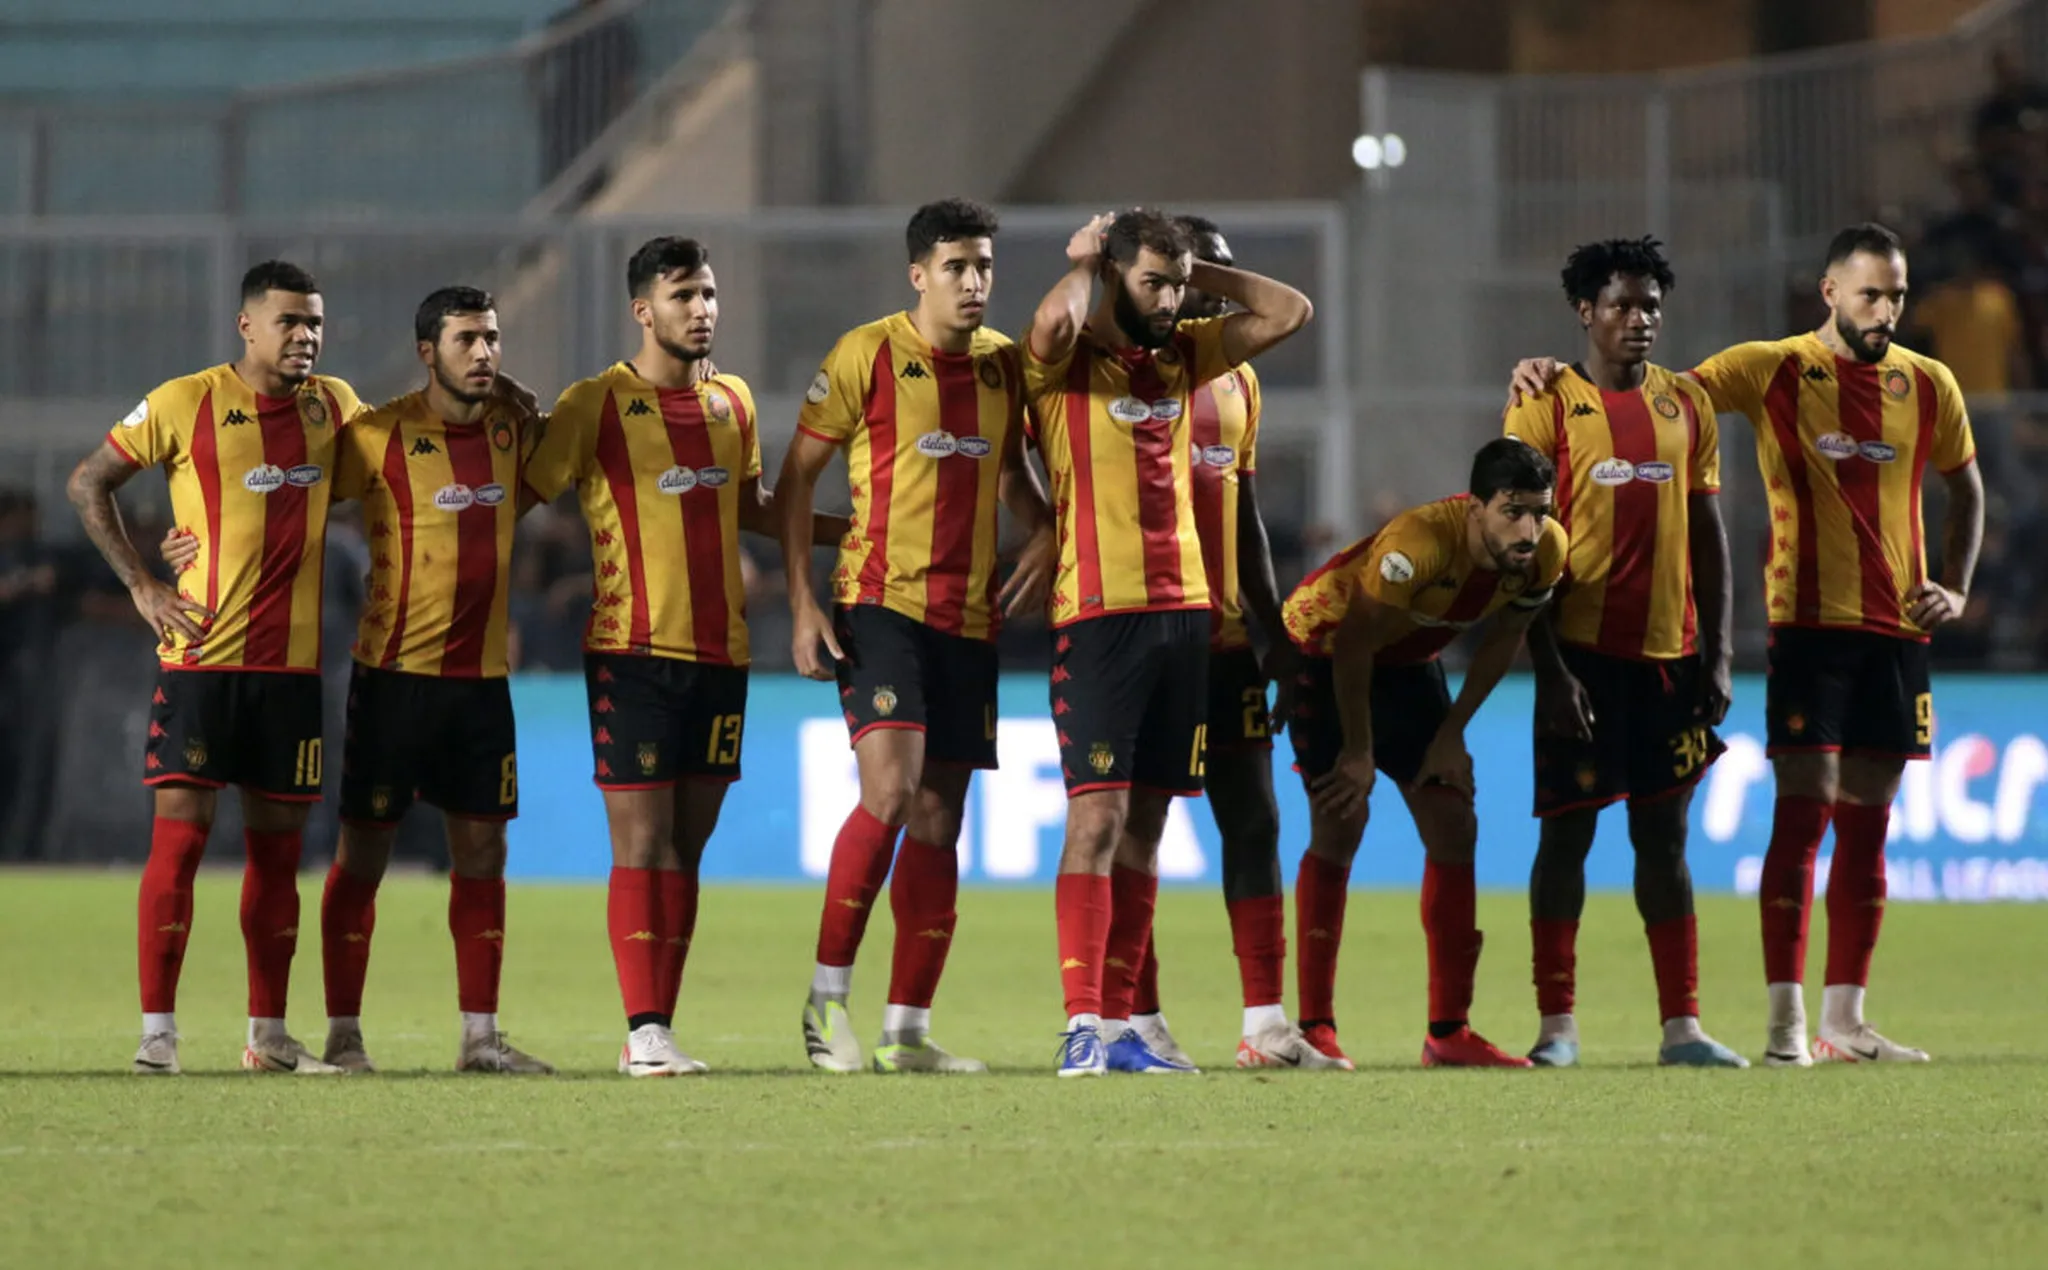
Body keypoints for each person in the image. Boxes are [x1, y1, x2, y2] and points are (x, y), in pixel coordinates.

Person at [1509, 223, 1985, 1064]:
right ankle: (1768, 1028)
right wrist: (1545, 366)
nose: (1886, 310)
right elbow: (1628, 408)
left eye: (1897, 295)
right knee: (1772, 817)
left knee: (1840, 827)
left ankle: (1822, 1022)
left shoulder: (1925, 382)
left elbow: (1963, 487)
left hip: (1863, 634)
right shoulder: (1767, 368)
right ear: (1830, 292)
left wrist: (1956, 585)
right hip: (1790, 630)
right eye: (1871, 294)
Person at [165, 288, 557, 1074]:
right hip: (392, 680)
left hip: (481, 683)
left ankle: (480, 1038)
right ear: (427, 352)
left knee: (483, 852)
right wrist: (190, 541)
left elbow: (563, 456)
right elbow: (286, 487)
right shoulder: (375, 434)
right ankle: (344, 1035)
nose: (484, 353)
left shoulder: (514, 431)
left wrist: (521, 396)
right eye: (466, 340)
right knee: (364, 854)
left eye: (492, 338)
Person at [523, 236, 848, 1076]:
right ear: (644, 310)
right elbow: (519, 492)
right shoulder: (595, 404)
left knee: (686, 850)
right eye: (683, 297)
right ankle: (644, 1033)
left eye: (708, 294)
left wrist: (857, 533)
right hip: (632, 652)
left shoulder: (732, 401)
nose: (702, 310)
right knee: (641, 844)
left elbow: (752, 507)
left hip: (721, 655)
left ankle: (657, 1027)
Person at [1023, 209, 1313, 1077]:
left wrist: (1189, 274)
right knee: (1096, 818)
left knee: (1147, 827)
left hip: (1188, 616)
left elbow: (1291, 311)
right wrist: (1090, 263)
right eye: (1152, 283)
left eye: (1176, 286)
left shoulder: (1189, 355)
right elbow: (1050, 323)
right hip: (1098, 615)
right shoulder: (1066, 366)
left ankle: (1122, 1030)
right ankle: (1082, 1023)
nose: (1169, 301)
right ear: (1115, 276)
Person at [778, 198, 1055, 1075]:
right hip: (879, 604)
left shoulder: (1005, 366)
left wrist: (1046, 529)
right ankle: (826, 1003)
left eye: (984, 267)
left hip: (969, 619)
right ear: (918, 274)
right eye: (955, 268)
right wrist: (801, 603)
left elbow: (1012, 475)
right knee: (891, 793)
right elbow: (796, 481)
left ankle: (906, 1031)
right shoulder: (865, 354)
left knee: (939, 819)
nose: (974, 283)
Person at [67, 261, 364, 1075]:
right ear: (247, 326)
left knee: (279, 860)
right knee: (180, 844)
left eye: (314, 323)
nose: (304, 336)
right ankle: (157, 1035)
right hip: (200, 661)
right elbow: (89, 482)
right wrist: (142, 582)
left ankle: (269, 1037)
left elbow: (395, 470)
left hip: (291, 673)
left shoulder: (335, 407)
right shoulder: (183, 401)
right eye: (288, 322)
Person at [1500, 237, 1745, 1069]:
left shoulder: (1688, 404)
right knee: (1566, 839)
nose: (1639, 320)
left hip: (1670, 660)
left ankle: (1683, 1027)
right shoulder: (1543, 405)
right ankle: (1556, 1027)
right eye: (1621, 306)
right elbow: (1519, 550)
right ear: (1585, 312)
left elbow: (1708, 534)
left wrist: (1718, 652)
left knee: (1665, 842)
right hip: (1580, 658)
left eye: (1650, 307)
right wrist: (1550, 672)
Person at [1115, 215, 1337, 1070]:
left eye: (1216, 276)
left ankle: (1265, 1025)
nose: (1208, 293)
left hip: (1228, 638)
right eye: (1190, 277)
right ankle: (1139, 1018)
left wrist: (1273, 630)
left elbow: (1243, 514)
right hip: (1145, 630)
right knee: (1141, 821)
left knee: (1253, 818)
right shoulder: (1129, 369)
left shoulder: (1240, 380)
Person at [1283, 439, 1564, 1069]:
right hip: (1327, 656)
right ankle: (1316, 1027)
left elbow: (1505, 640)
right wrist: (1359, 751)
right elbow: (1354, 645)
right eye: (1513, 512)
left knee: (1454, 822)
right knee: (1341, 822)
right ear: (1475, 508)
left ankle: (1448, 1032)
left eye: (1539, 512)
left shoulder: (1547, 550)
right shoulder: (1417, 545)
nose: (1529, 530)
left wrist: (1451, 734)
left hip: (1412, 664)